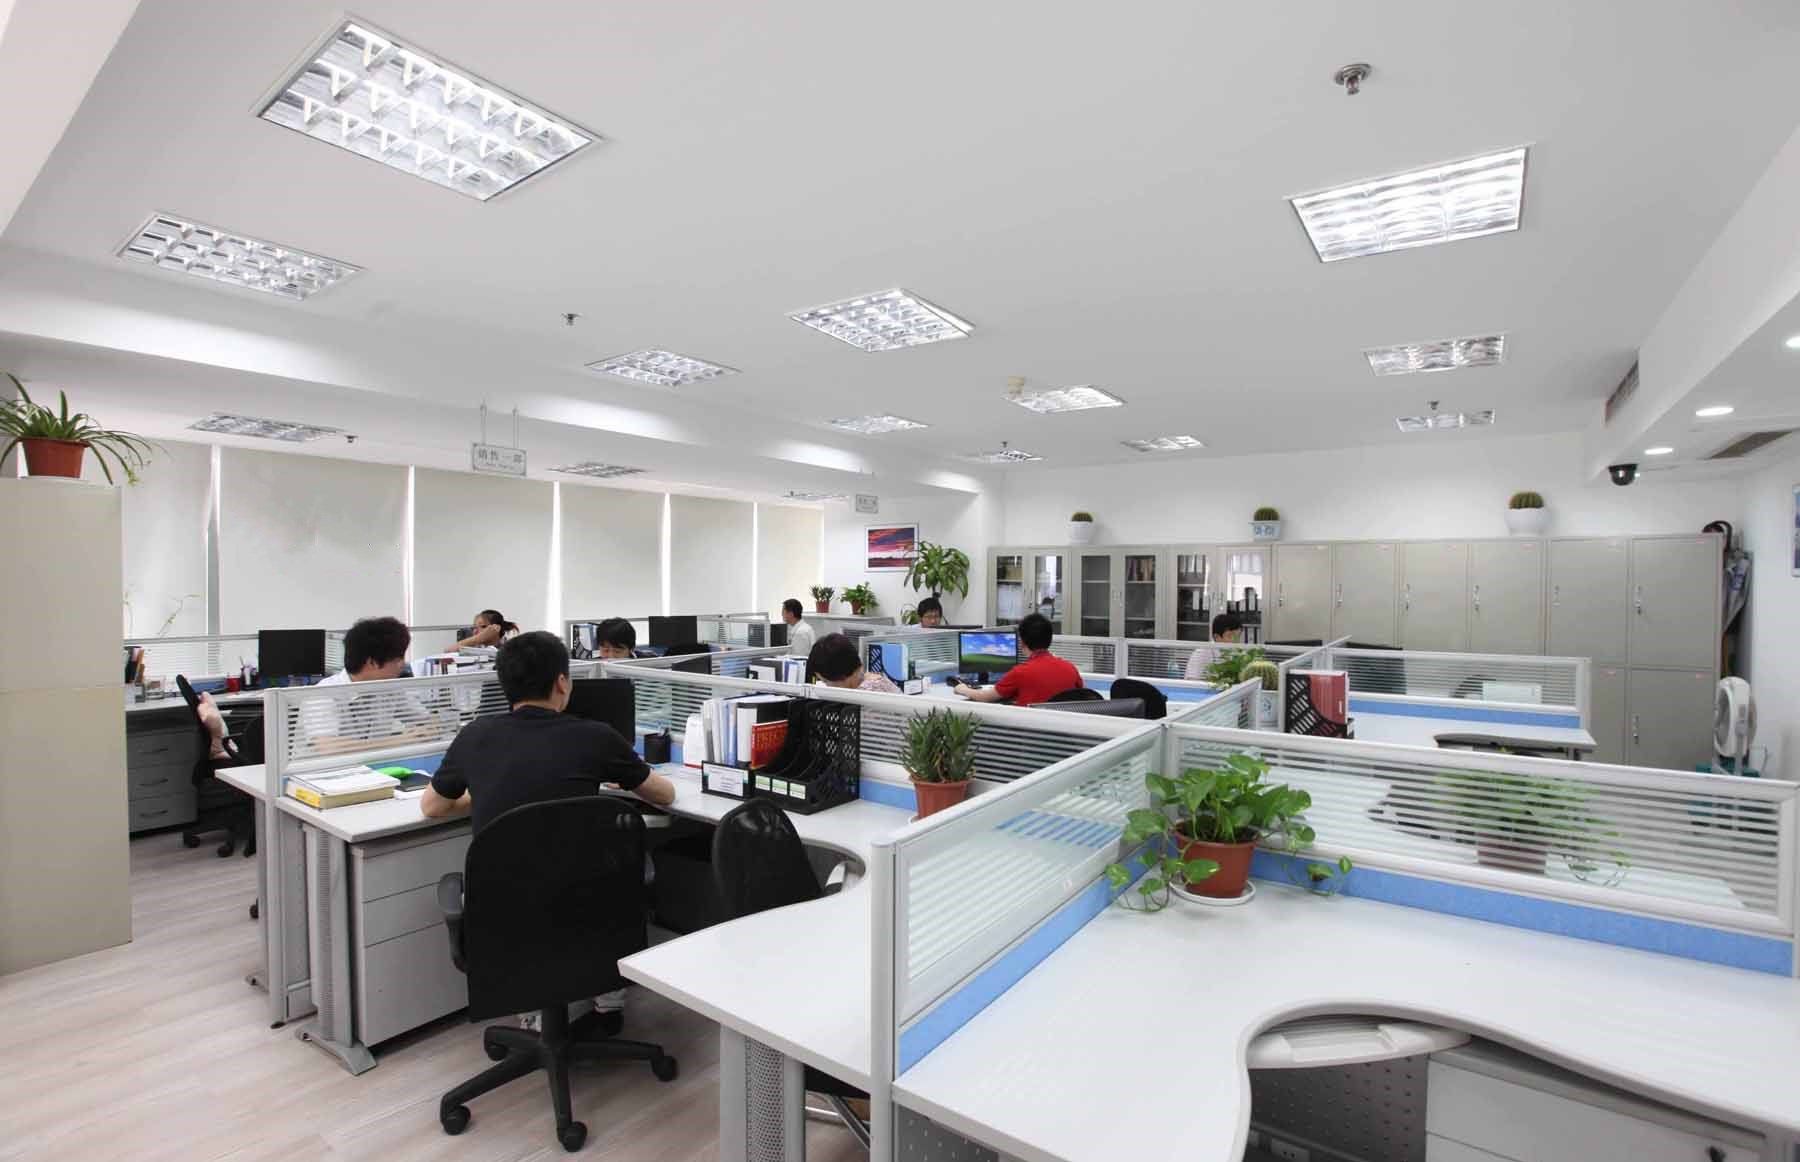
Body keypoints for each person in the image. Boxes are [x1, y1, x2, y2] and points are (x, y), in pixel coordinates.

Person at [420, 631, 677, 1027]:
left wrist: (486, 786)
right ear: (561, 682)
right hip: (587, 903)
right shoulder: (596, 737)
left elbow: (432, 806)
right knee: (598, 881)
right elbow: (665, 794)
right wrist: (612, 776)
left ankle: (534, 1017)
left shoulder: (475, 735)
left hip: (505, 911)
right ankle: (608, 1006)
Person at [303, 617, 432, 748]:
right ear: (372, 662)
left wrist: (425, 730)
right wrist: (398, 741)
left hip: (378, 760)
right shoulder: (324, 694)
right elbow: (329, 747)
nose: (403, 664)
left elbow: (426, 720)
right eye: (398, 659)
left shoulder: (390, 689)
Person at [954, 612, 1080, 707]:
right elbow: (1084, 697)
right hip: (1063, 731)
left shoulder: (1021, 672)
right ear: (1050, 640)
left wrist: (963, 689)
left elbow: (986, 697)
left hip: (1026, 731)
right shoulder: (1071, 668)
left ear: (1022, 642)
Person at [807, 632, 900, 694]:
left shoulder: (866, 694)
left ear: (841, 675)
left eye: (826, 681)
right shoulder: (872, 680)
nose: (826, 686)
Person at [1185, 611, 1246, 679]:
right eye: (1230, 636)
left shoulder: (1236, 653)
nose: (1236, 641)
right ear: (1216, 637)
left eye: (1238, 636)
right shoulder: (1201, 653)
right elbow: (1191, 680)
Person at [455, 609, 520, 650]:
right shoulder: (474, 649)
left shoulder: (509, 649)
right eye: (474, 627)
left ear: (496, 628)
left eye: (483, 626)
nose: (475, 631)